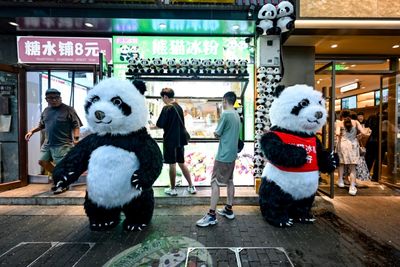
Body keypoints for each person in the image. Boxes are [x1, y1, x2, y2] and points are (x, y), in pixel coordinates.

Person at [196, 91, 240, 227]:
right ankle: (228, 209)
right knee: (230, 181)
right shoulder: (236, 114)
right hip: (232, 154)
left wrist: (215, 132)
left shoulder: (226, 114)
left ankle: (211, 215)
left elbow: (217, 133)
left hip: (223, 155)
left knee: (214, 183)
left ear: (224, 101)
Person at [25, 88, 82, 193]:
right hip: (48, 143)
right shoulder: (46, 111)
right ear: (46, 99)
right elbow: (41, 125)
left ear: (60, 98)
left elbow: (76, 125)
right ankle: (60, 177)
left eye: (56, 98)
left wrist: (76, 139)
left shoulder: (68, 110)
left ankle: (62, 184)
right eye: (51, 98)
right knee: (42, 161)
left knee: (61, 166)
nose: (54, 100)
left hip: (63, 144)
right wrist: (31, 131)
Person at [154, 87, 196, 196]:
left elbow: (159, 124)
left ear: (166, 97)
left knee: (172, 164)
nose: (163, 100)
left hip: (170, 140)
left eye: (163, 98)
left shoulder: (167, 108)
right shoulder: (179, 107)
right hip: (180, 140)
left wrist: (151, 125)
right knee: (181, 163)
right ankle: (191, 186)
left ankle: (173, 189)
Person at [335, 110, 369, 195]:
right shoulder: (356, 122)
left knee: (341, 164)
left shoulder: (339, 123)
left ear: (342, 116)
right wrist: (361, 134)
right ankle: (352, 187)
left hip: (342, 145)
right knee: (352, 167)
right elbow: (364, 133)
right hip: (353, 146)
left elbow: (337, 133)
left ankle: (340, 181)